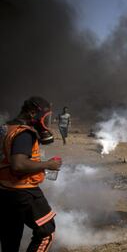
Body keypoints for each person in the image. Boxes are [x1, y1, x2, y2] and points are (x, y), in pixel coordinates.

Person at [0, 97, 62, 252]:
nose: (46, 121)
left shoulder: (7, 128)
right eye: (44, 117)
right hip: (23, 191)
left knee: (10, 240)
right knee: (46, 232)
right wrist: (49, 164)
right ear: (33, 112)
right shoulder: (24, 134)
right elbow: (18, 164)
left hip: (4, 190)